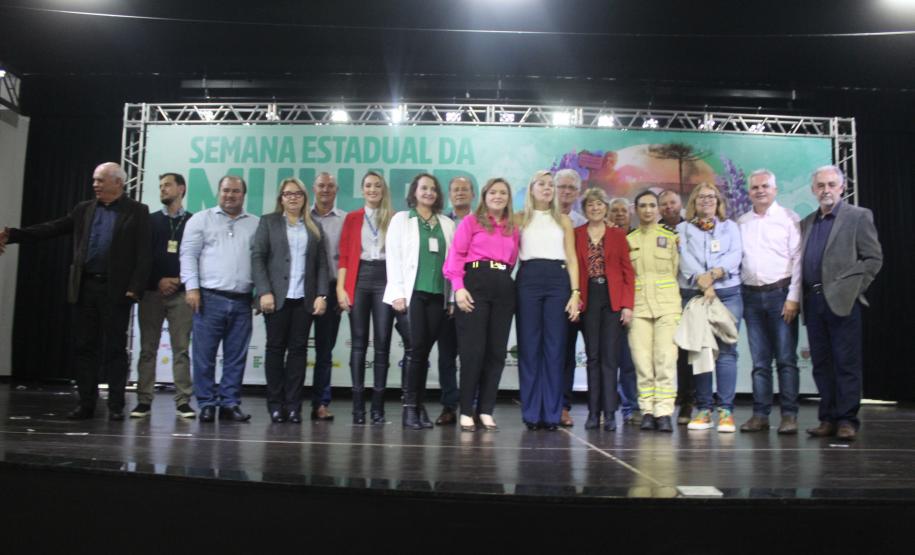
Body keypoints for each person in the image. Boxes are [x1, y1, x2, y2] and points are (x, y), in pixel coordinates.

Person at [0, 162, 150, 420]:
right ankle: (86, 404)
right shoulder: (84, 209)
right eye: (94, 180)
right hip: (85, 287)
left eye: (100, 180)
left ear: (118, 182)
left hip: (116, 290)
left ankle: (116, 406)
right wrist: (12, 235)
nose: (95, 185)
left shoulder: (137, 211)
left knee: (115, 349)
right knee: (84, 347)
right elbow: (53, 228)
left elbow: (144, 253)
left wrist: (135, 289)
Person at [801, 165, 882, 441]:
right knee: (821, 364)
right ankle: (828, 418)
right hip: (813, 302)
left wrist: (853, 288)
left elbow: (873, 258)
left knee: (846, 363)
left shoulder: (858, 216)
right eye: (820, 185)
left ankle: (847, 420)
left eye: (831, 184)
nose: (826, 190)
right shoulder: (807, 222)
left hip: (843, 302)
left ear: (842, 187)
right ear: (813, 190)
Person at [180, 175, 259, 423]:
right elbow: (188, 255)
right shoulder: (200, 220)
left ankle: (229, 403)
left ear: (243, 195)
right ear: (218, 192)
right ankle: (206, 403)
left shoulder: (255, 224)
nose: (230, 195)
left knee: (236, 357)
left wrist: (260, 292)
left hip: (242, 300)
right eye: (226, 190)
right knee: (204, 356)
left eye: (235, 191)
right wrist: (192, 288)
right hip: (208, 298)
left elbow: (260, 262)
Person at [443, 178, 520, 432]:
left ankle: (486, 410)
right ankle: (466, 410)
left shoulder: (512, 227)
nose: (498, 196)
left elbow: (512, 259)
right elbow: (456, 255)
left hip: (503, 286)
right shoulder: (471, 222)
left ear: (508, 198)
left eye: (503, 192)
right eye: (493, 192)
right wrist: (459, 288)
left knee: (496, 352)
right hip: (474, 284)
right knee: (472, 351)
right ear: (484, 196)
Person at [252, 178, 328, 423]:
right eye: (288, 194)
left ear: (305, 198)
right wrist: (264, 291)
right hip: (276, 299)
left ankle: (294, 406)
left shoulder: (314, 226)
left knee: (298, 352)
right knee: (275, 350)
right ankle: (276, 405)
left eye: (298, 193)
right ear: (281, 198)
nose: (293, 197)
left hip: (304, 300)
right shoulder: (269, 222)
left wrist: (321, 295)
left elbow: (322, 264)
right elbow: (258, 258)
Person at [337, 171, 410, 424]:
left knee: (382, 342)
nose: (372, 189)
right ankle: (358, 409)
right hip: (359, 277)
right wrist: (341, 288)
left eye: (377, 185)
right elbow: (344, 256)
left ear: (383, 189)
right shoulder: (352, 218)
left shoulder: (394, 217)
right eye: (368, 185)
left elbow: (401, 255)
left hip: (385, 278)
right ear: (362, 190)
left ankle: (378, 409)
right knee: (358, 343)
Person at [385, 173, 456, 429]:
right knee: (415, 349)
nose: (429, 192)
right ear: (414, 191)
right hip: (411, 294)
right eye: (424, 188)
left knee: (423, 351)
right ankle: (409, 409)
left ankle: (418, 405)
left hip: (438, 295)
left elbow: (452, 263)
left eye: (433, 189)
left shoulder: (447, 223)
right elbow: (393, 257)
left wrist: (451, 298)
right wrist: (397, 293)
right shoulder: (402, 219)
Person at [737, 169, 802, 434]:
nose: (760, 191)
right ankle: (760, 415)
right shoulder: (742, 222)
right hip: (751, 297)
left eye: (765, 186)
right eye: (755, 187)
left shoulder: (789, 218)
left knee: (786, 359)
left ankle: (789, 415)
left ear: (774, 190)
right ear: (749, 192)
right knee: (760, 362)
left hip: (781, 295)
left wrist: (793, 298)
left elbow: (798, 260)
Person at [515, 170, 580, 431]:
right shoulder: (519, 218)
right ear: (531, 188)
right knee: (529, 347)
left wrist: (575, 292)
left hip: (558, 281)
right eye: (541, 184)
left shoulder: (563, 220)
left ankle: (552, 413)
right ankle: (531, 413)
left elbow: (572, 258)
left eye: (550, 185)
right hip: (528, 278)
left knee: (555, 347)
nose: (547, 188)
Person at [678, 183, 743, 433]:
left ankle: (725, 411)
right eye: (701, 197)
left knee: (727, 351)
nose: (706, 200)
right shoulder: (683, 229)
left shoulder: (730, 227)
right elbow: (684, 258)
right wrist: (703, 282)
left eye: (711, 197)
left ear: (718, 201)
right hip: (696, 295)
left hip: (727, 294)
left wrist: (715, 274)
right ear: (693, 202)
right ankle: (704, 409)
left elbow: (735, 254)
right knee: (701, 351)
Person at [132, 172, 194, 419]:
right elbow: (142, 257)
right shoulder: (149, 221)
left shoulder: (193, 221)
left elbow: (198, 256)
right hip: (152, 293)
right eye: (160, 186)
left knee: (181, 349)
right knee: (148, 349)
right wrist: (158, 280)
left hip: (181, 294)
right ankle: (143, 400)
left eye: (167, 185)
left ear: (181, 189)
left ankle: (183, 401)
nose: (162, 189)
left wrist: (178, 280)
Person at [573, 188, 634, 431]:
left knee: (610, 358)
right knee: (593, 357)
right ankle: (593, 412)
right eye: (590, 204)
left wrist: (627, 305)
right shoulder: (577, 234)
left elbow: (627, 272)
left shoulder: (617, 235)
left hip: (612, 298)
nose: (595, 208)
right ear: (584, 209)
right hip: (588, 296)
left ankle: (609, 414)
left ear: (605, 208)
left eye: (599, 204)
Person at [626, 190, 681, 432]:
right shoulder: (629, 239)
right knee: (642, 362)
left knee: (665, 360)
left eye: (652, 205)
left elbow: (677, 268)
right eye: (643, 206)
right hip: (638, 307)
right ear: (636, 210)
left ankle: (664, 412)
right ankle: (647, 410)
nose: (648, 210)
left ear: (658, 209)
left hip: (667, 306)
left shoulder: (670, 237)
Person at [434, 176, 475, 426]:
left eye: (464, 189)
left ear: (473, 195)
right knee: (446, 356)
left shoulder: (480, 222)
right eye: (455, 189)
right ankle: (449, 406)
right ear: (449, 195)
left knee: (472, 355)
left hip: (473, 297)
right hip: (445, 297)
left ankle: (472, 405)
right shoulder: (439, 222)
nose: (460, 193)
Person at [310, 172, 346, 421]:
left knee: (324, 351)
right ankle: (289, 402)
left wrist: (343, 290)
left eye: (330, 186)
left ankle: (321, 403)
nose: (325, 190)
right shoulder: (302, 216)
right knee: (295, 349)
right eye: (321, 185)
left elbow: (349, 258)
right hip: (302, 290)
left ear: (336, 190)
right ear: (314, 189)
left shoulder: (345, 219)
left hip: (332, 290)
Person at [555, 168, 587, 427]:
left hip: (575, 292)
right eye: (561, 187)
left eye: (571, 188)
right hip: (547, 290)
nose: (566, 192)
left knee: (566, 351)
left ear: (578, 193)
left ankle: (563, 405)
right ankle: (545, 401)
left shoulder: (582, 223)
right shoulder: (542, 217)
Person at [658, 189, 693, 423]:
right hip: (662, 297)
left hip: (687, 293)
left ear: (680, 204)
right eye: (664, 204)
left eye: (672, 202)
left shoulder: (690, 228)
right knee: (664, 350)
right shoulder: (654, 230)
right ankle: (662, 402)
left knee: (686, 351)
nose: (669, 207)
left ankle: (688, 400)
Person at [609, 197, 640, 423]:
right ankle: (606, 408)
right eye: (615, 210)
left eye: (623, 210)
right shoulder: (604, 237)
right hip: (609, 305)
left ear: (630, 213)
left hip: (635, 305)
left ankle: (631, 407)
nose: (619, 214)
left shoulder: (639, 237)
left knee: (629, 362)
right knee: (608, 361)